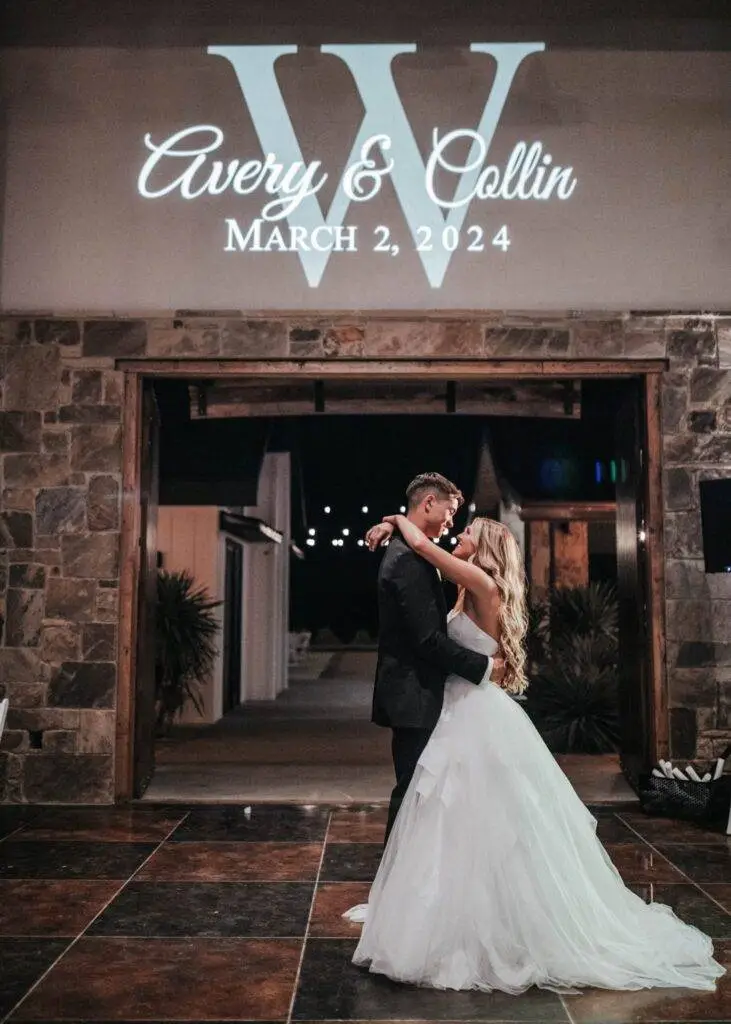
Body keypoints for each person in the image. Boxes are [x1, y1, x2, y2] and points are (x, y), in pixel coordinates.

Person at [344, 513, 724, 994]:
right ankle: (450, 912)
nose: (458, 534)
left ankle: (482, 926)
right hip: (459, 709)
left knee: (477, 819)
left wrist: (397, 519)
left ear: (484, 547)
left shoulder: (481, 582)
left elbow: (422, 547)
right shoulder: (469, 587)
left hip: (474, 715)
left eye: (467, 532)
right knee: (455, 819)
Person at [367, 473, 505, 847]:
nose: (452, 523)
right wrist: (485, 668)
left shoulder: (417, 555)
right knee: (414, 793)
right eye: (450, 511)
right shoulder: (408, 560)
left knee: (428, 793)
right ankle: (396, 877)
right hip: (415, 696)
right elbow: (428, 640)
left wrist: (393, 521)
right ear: (429, 503)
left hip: (434, 698)